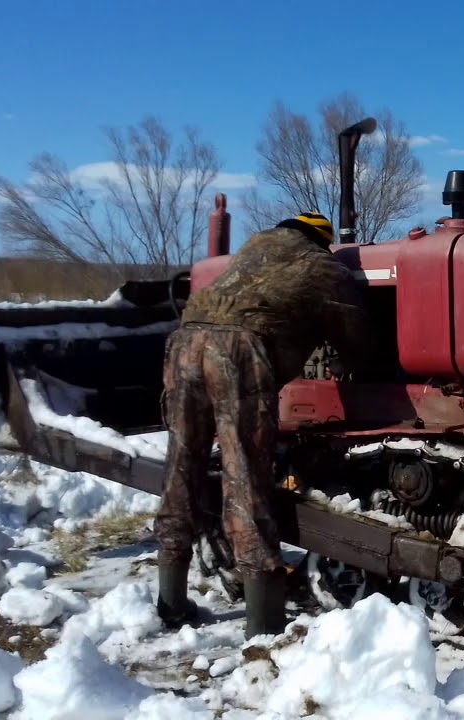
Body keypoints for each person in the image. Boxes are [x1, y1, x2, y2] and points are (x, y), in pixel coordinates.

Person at [153, 212, 371, 639]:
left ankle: (170, 602)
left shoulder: (252, 252)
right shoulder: (321, 265)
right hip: (237, 352)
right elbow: (356, 336)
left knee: (181, 467)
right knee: (245, 479)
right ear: (320, 241)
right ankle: (264, 624)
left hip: (184, 342)